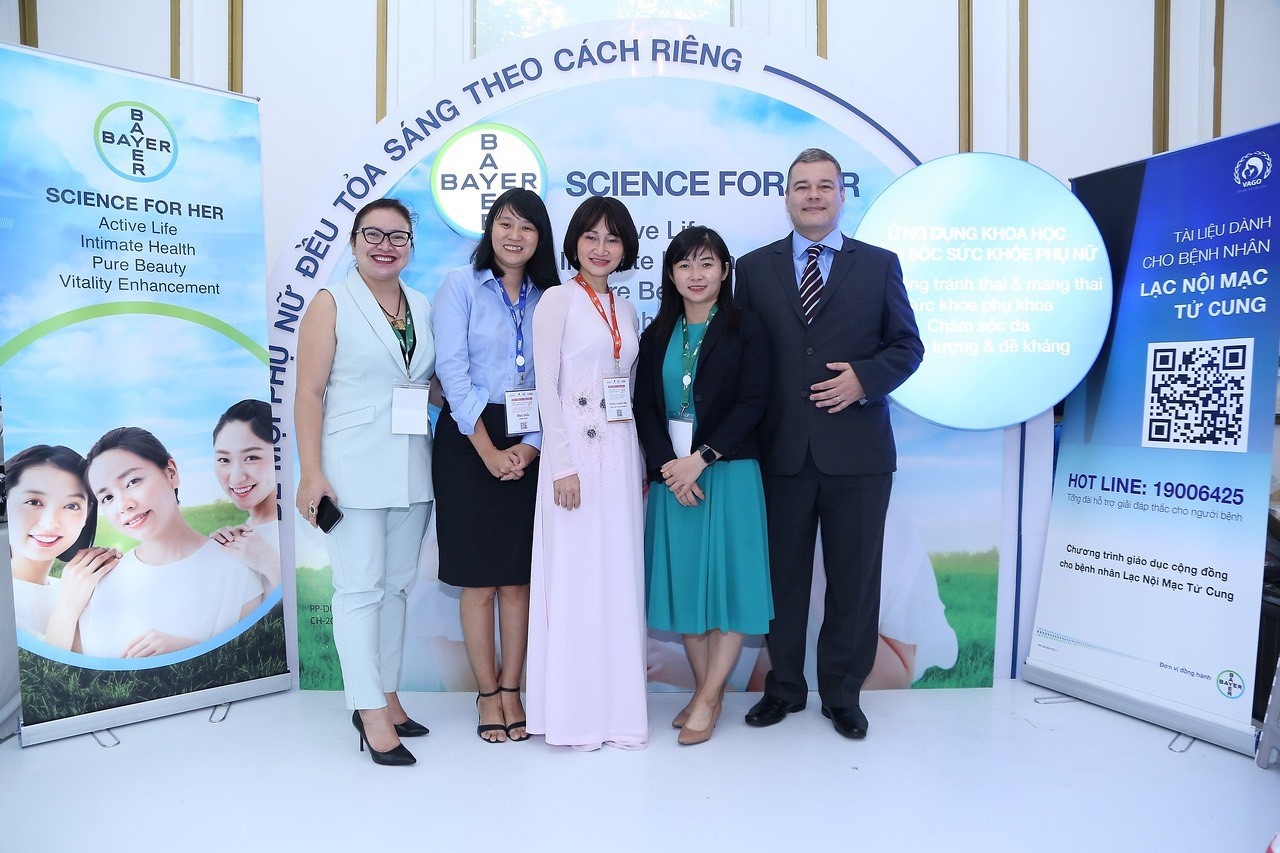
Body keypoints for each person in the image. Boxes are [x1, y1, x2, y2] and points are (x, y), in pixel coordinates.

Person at [735, 147, 924, 739]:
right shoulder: (752, 269)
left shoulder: (880, 265)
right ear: (787, 197)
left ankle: (843, 695)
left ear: (842, 196)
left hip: (859, 456)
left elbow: (908, 346)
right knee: (782, 582)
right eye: (802, 186)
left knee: (854, 582)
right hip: (780, 454)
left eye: (824, 186)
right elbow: (741, 359)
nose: (813, 195)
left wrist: (864, 379)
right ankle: (784, 688)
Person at [294, 197, 436, 766]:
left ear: (410, 247)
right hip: (350, 468)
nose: (385, 245)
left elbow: (425, 382)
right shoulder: (331, 302)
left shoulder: (421, 305)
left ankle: (389, 694)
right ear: (353, 242)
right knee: (358, 589)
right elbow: (309, 393)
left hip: (412, 465)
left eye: (397, 236)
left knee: (396, 588)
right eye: (372, 234)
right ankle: (368, 710)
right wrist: (311, 473)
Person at [635, 226, 773, 745]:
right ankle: (703, 692)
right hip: (675, 481)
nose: (696, 275)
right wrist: (669, 467)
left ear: (725, 270)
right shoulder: (657, 334)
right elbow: (645, 407)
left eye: (707, 263)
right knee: (688, 589)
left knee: (730, 588)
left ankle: (709, 698)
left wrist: (702, 458)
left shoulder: (748, 327)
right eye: (685, 264)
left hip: (729, 473)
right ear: (670, 274)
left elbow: (753, 402)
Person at [432, 187, 559, 743]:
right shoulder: (460, 285)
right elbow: (452, 373)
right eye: (505, 224)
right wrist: (487, 450)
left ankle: (513, 689)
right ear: (490, 230)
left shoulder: (549, 297)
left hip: (529, 434)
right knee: (479, 579)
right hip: (468, 437)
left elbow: (553, 379)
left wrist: (531, 445)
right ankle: (487, 694)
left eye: (527, 227)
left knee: (517, 579)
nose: (515, 236)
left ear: (539, 238)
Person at [525, 196, 648, 750]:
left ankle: (619, 715)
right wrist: (563, 465)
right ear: (574, 242)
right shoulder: (557, 300)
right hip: (572, 461)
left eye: (613, 238)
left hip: (620, 462)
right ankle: (573, 717)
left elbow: (628, 390)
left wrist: (639, 463)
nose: (601, 248)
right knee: (575, 580)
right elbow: (545, 387)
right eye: (591, 236)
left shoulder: (628, 309)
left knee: (617, 579)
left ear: (626, 248)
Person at [47, 427, 263, 658]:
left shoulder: (237, 569)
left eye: (132, 482)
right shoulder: (97, 582)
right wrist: (66, 607)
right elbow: (67, 672)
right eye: (107, 497)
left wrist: (190, 651)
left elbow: (254, 660)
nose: (124, 505)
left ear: (171, 472)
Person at [5, 445, 120, 638]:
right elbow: (44, 658)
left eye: (71, 506)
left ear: (87, 515)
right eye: (34, 502)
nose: (50, 522)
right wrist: (68, 608)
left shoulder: (73, 589)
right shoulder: (70, 596)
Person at [209, 399, 281, 595]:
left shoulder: (307, 527)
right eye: (224, 459)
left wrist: (270, 564)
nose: (235, 477)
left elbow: (311, 605)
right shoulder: (238, 539)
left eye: (251, 458)